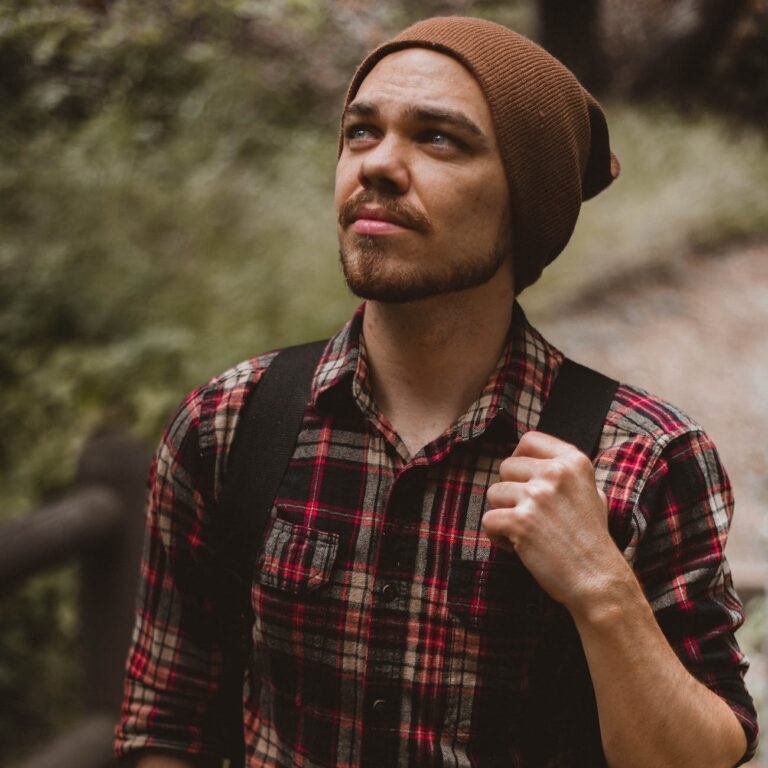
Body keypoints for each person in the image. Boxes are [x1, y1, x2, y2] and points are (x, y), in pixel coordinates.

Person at [116, 16, 759, 768]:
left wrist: (600, 588)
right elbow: (165, 726)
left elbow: (704, 755)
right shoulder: (229, 424)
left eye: (439, 138)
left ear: (525, 201)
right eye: (361, 132)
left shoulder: (645, 456)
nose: (378, 165)